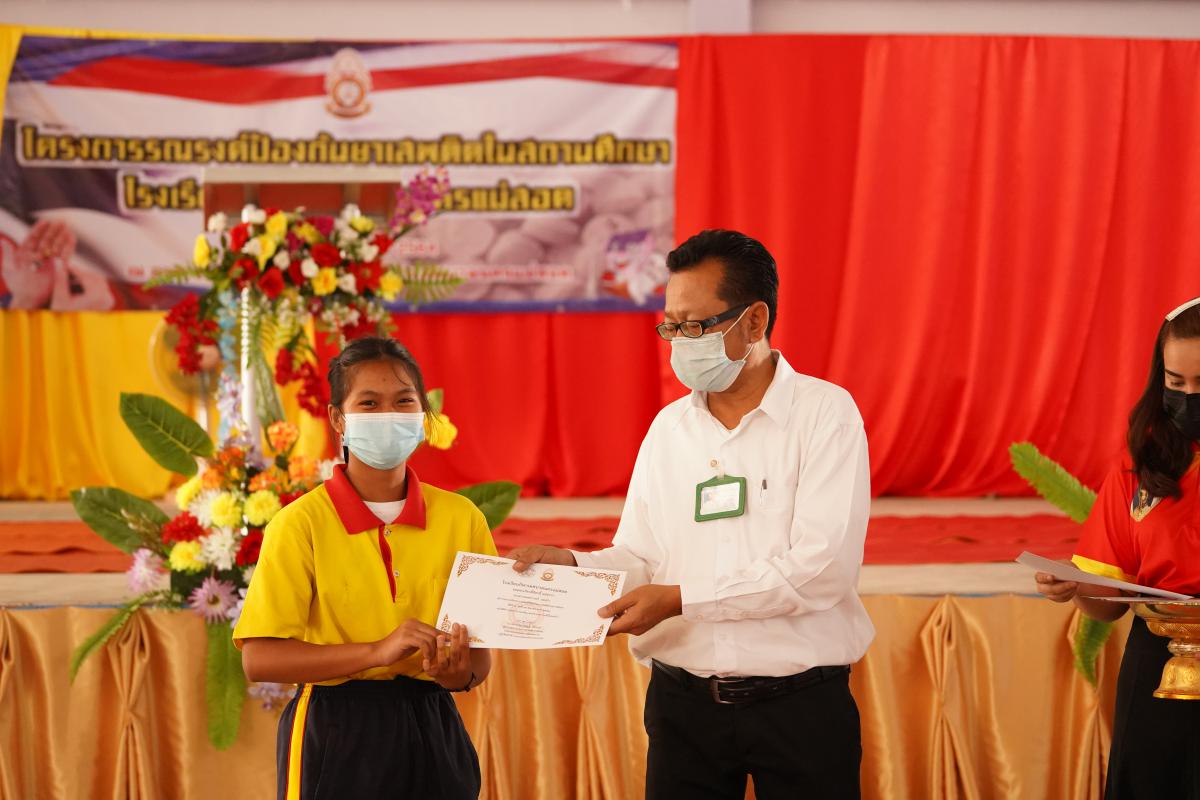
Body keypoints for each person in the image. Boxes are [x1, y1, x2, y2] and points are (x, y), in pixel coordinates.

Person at [510, 229, 875, 800]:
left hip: (801, 705)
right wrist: (575, 568)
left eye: (696, 326)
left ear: (754, 321)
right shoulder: (669, 429)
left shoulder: (825, 414)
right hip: (684, 708)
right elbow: (642, 556)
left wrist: (682, 599)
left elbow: (820, 569)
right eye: (671, 327)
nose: (680, 342)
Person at [233, 336, 496, 800]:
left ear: (423, 413)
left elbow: (477, 661)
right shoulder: (300, 524)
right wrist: (377, 651)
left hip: (434, 724)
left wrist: (454, 674)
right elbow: (259, 659)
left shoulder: (462, 518)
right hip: (334, 728)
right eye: (369, 403)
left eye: (404, 401)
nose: (388, 415)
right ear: (338, 418)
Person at [1036, 296, 1200, 799]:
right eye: (1176, 383)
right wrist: (1075, 585)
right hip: (1159, 665)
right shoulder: (1141, 461)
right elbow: (1108, 601)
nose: (1189, 398)